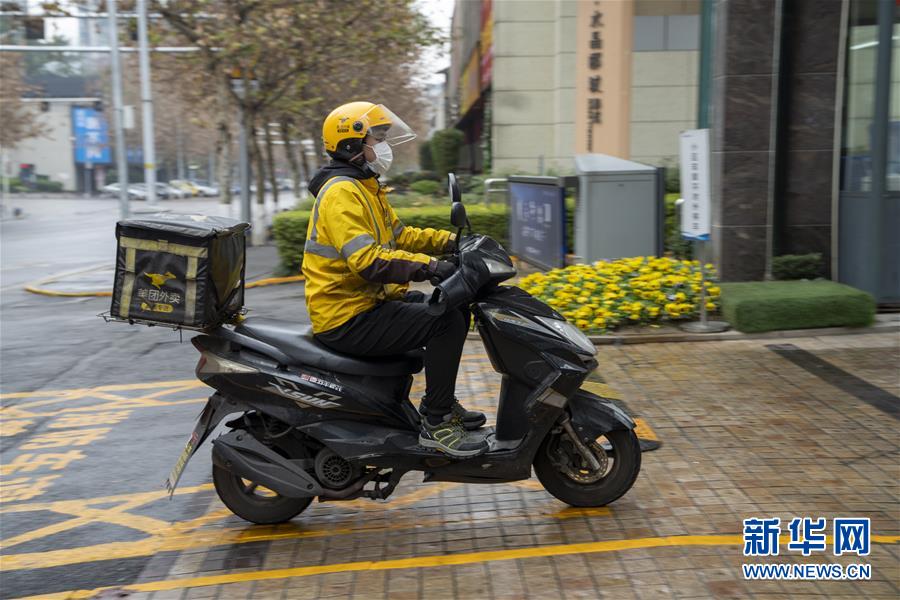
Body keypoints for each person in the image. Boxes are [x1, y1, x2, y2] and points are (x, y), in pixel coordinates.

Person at [302, 101, 488, 458]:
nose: (384, 145)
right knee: (445, 321)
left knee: (452, 304)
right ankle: (437, 422)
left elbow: (401, 236)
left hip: (369, 303)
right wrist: (432, 267)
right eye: (379, 138)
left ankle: (440, 403)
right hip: (347, 316)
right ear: (352, 145)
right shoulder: (341, 193)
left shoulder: (364, 187)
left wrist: (453, 243)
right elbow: (368, 261)